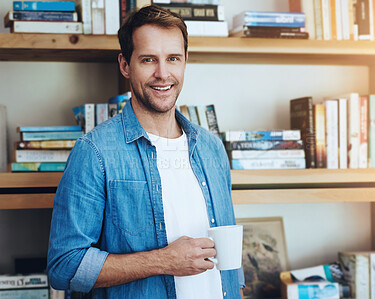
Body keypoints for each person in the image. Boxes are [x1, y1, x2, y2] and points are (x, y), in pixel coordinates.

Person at [47, 5, 244, 298]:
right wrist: (163, 261)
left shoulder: (212, 148)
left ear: (185, 61)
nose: (163, 74)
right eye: (148, 59)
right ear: (125, 65)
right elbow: (64, 266)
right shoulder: (95, 153)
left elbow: (229, 261)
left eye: (173, 59)